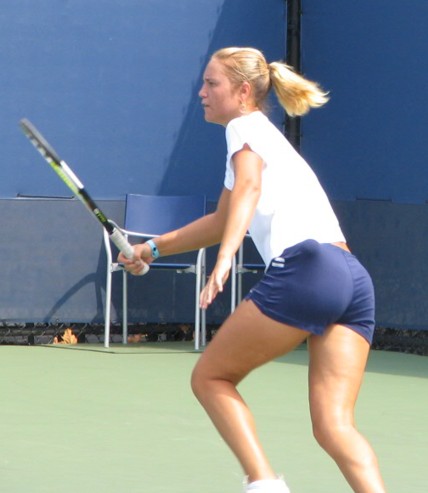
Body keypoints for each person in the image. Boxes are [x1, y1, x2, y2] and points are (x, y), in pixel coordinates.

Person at [120, 47, 386, 493]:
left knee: (210, 377)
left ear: (243, 92)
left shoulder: (243, 128)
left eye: (212, 84)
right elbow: (225, 218)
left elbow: (249, 188)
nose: (201, 93)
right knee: (334, 426)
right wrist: (151, 247)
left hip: (308, 270)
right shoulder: (265, 138)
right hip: (352, 279)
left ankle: (264, 484)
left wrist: (225, 257)